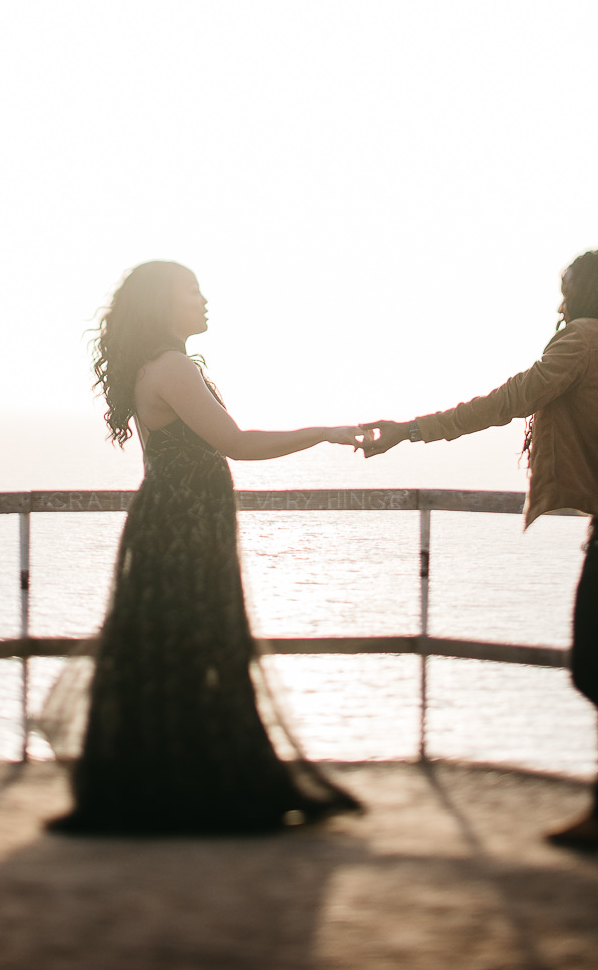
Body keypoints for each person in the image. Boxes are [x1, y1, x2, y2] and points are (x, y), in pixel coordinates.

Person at [356, 249, 598, 851]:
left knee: (592, 670)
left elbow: (508, 401)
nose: (561, 301)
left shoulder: (581, 341)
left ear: (589, 291)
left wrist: (411, 430)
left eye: (567, 288)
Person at [46, 260, 363, 834]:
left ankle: (173, 788)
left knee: (172, 653)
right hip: (184, 529)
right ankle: (200, 790)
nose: (204, 300)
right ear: (162, 306)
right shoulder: (172, 367)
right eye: (191, 291)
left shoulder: (159, 364)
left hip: (177, 523)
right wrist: (323, 433)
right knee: (199, 648)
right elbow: (236, 442)